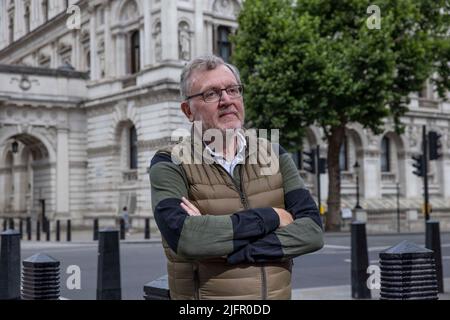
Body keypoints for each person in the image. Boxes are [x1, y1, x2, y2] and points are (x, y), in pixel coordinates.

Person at [149, 54, 323, 300]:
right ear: (188, 110)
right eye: (211, 94)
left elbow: (313, 231)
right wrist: (273, 216)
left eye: (233, 90)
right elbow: (188, 239)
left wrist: (234, 247)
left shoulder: (273, 153)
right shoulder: (169, 162)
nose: (226, 100)